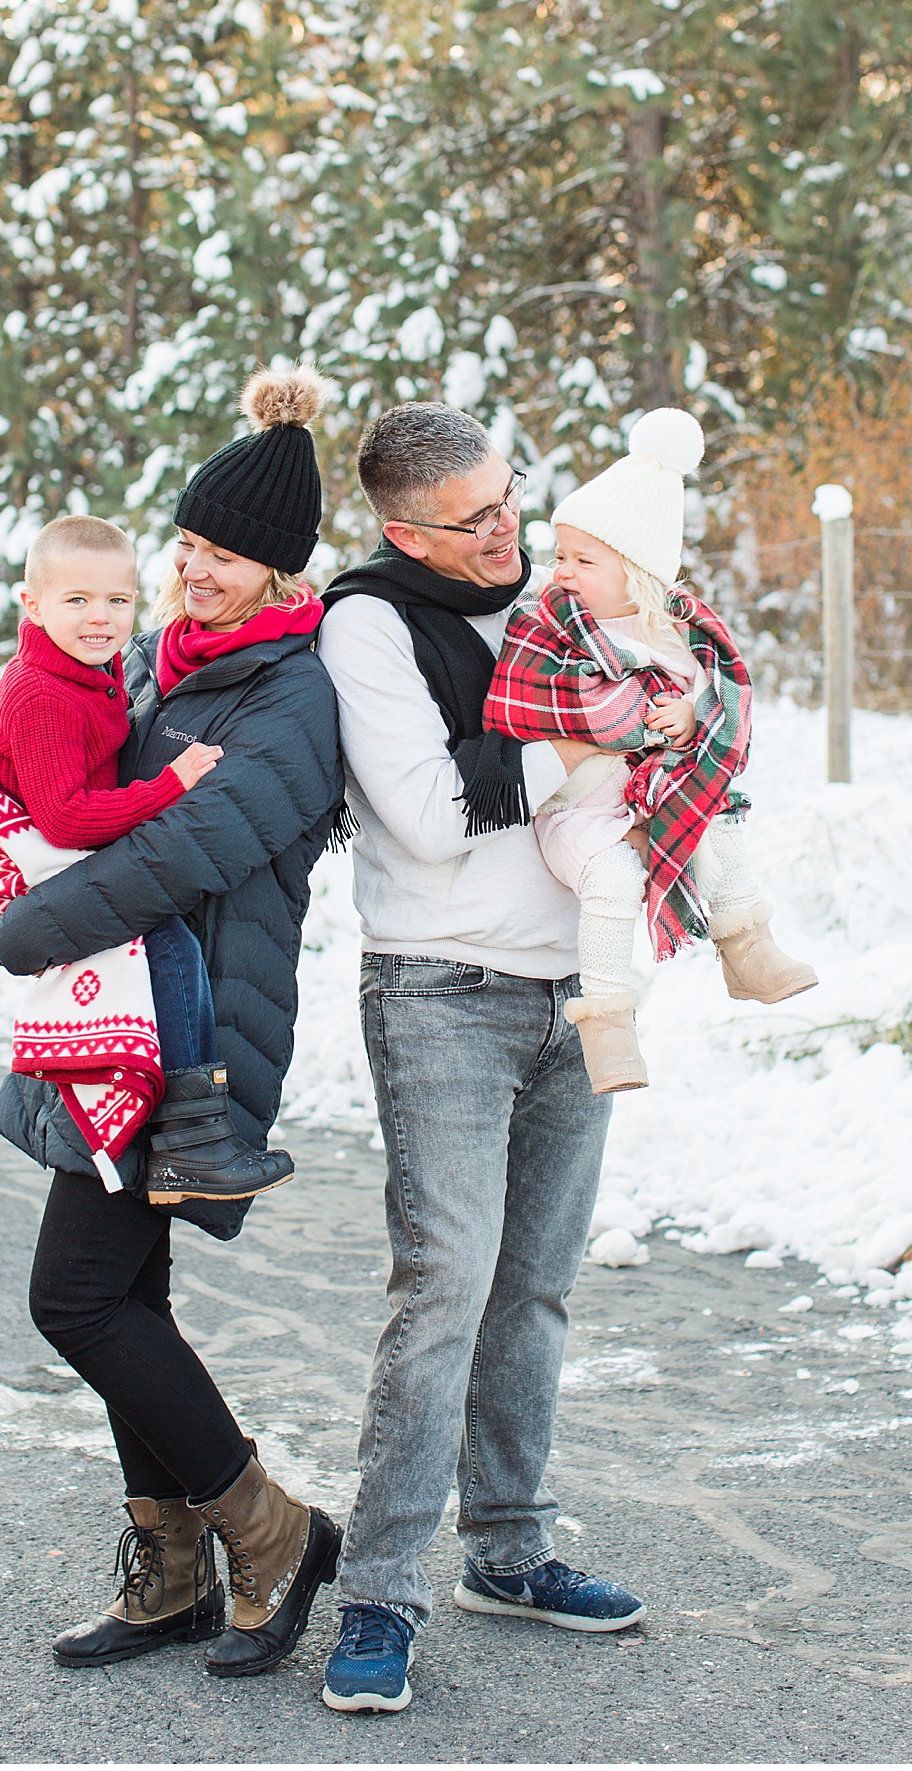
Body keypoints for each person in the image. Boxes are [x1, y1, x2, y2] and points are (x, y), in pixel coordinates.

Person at [0, 367, 345, 1678]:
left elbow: (187, 848)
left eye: (227, 557)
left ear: (280, 573)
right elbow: (68, 775)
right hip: (109, 1023)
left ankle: (269, 1529)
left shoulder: (291, 699)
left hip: (188, 1037)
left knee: (73, 1297)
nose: (196, 572)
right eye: (188, 545)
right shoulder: (154, 659)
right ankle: (168, 1570)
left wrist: (28, 926)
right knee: (125, 1288)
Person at [314, 403, 645, 1717]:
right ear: (406, 530)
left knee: (536, 1287)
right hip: (440, 988)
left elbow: (656, 692)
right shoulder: (370, 625)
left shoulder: (553, 596)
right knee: (445, 1284)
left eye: (514, 501)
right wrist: (589, 737)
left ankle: (509, 1552)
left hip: (579, 986)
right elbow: (436, 813)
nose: (511, 532)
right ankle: (381, 1590)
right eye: (478, 521)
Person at [483, 410, 818, 1096]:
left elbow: (719, 700)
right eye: (562, 552)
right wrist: (648, 719)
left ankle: (745, 941)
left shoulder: (676, 631)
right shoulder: (549, 622)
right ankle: (607, 1021)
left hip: (653, 791)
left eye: (584, 559)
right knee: (611, 882)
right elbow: (546, 702)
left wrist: (691, 712)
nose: (563, 570)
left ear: (635, 571)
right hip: (575, 809)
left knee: (716, 816)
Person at [0, 510, 289, 1201]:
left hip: (61, 835)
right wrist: (168, 785)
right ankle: (193, 1133)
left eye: (117, 599)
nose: (100, 617)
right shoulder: (45, 691)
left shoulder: (96, 667)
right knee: (165, 944)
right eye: (76, 600)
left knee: (156, 947)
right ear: (32, 605)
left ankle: (180, 1125)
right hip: (28, 847)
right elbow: (67, 815)